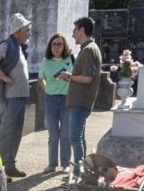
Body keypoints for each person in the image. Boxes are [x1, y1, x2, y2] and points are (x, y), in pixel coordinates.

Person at [0, 13, 32, 179]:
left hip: (18, 97)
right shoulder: (7, 45)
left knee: (16, 132)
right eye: (27, 29)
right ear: (18, 31)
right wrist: (5, 78)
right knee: (6, 133)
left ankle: (10, 165)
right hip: (10, 97)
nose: (29, 32)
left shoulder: (18, 46)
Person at [63, 16, 103, 176]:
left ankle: (80, 173)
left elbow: (87, 78)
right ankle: (86, 171)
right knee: (80, 137)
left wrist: (69, 77)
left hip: (80, 102)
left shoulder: (88, 50)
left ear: (82, 30)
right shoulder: (89, 48)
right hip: (81, 101)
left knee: (74, 138)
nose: (73, 34)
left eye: (75, 30)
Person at [37, 32, 73, 173]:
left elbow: (76, 77)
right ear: (50, 46)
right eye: (54, 44)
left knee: (65, 134)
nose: (56, 47)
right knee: (53, 134)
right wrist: (47, 90)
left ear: (64, 46)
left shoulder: (70, 59)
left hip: (66, 99)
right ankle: (52, 164)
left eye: (59, 44)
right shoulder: (46, 61)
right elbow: (40, 78)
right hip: (51, 100)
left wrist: (69, 78)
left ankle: (66, 164)